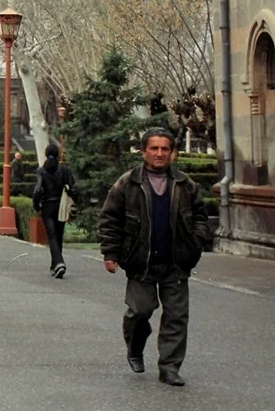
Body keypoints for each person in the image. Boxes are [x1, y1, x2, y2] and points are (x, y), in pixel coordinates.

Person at [98, 128, 209, 387]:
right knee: (140, 311)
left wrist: (195, 242)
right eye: (154, 148)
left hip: (176, 261)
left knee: (177, 316)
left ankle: (169, 367)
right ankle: (135, 346)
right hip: (141, 261)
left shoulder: (185, 185)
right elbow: (109, 218)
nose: (159, 154)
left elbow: (201, 217)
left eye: (165, 149)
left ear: (172, 153)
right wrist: (110, 253)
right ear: (144, 151)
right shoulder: (128, 183)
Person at [30, 144, 79, 279]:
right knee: (58, 235)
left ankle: (58, 263)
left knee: (51, 236)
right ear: (58, 154)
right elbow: (73, 188)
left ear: (46, 154)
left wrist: (37, 206)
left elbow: (37, 190)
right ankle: (55, 265)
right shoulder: (64, 169)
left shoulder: (41, 170)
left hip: (47, 206)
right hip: (61, 206)